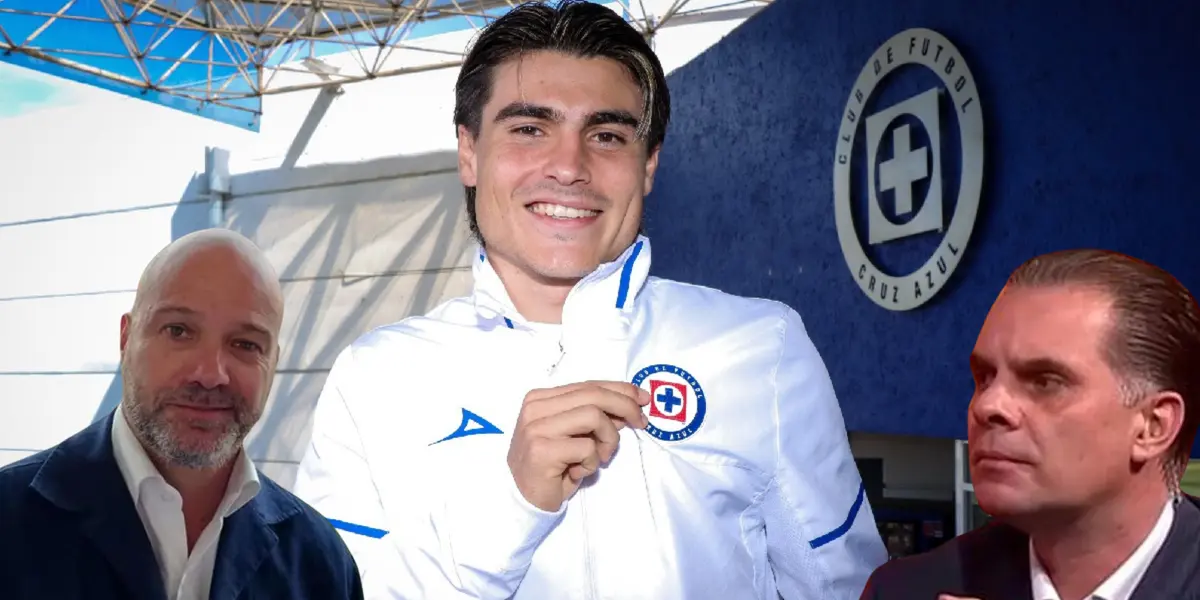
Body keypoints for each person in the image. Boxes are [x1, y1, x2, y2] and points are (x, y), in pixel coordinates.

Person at [292, 1, 887, 598]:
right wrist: (513, 505)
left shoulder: (763, 347)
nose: (569, 166)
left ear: (648, 164)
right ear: (469, 152)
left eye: (606, 135)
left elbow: (848, 590)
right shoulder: (373, 379)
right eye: (529, 129)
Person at [0, 229, 364, 600]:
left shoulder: (319, 564)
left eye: (245, 344)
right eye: (178, 331)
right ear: (127, 339)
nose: (210, 374)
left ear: (273, 363)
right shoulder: (8, 523)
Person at [860, 249, 1200, 600]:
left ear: (1152, 426)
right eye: (985, 377)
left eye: (1045, 381)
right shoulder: (906, 590)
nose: (988, 406)